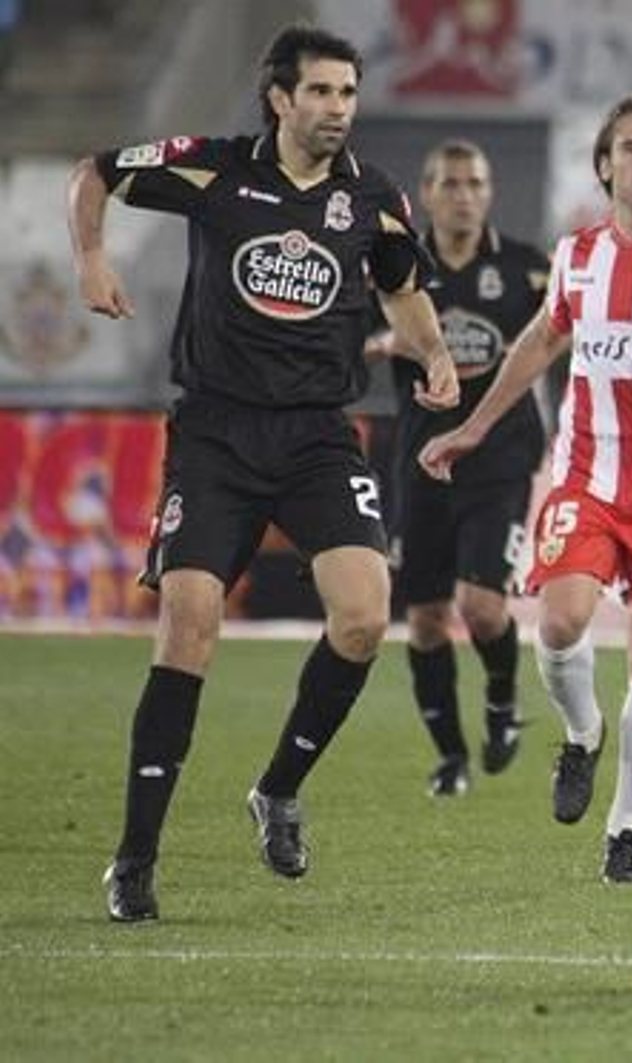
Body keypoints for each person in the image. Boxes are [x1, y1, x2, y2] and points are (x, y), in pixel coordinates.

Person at [69, 25, 459, 922]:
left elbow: (401, 282)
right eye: (320, 93)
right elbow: (94, 170)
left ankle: (278, 788)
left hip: (320, 436)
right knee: (190, 621)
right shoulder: (215, 169)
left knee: (365, 615)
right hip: (215, 433)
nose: (336, 111)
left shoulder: (373, 196)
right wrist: (92, 256)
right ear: (280, 99)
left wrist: (434, 354)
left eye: (348, 94)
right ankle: (134, 858)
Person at [419, 93, 632, 883]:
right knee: (560, 621)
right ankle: (581, 734)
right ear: (605, 164)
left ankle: (627, 824)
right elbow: (543, 338)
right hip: (587, 474)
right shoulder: (579, 254)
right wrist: (474, 425)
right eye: (630, 148)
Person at [367, 140, 551, 797]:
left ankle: (501, 696)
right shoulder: (394, 266)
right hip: (420, 462)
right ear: (428, 192)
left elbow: (566, 334)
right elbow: (349, 332)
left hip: (500, 458)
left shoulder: (529, 269)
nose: (464, 194)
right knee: (422, 617)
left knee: (480, 606)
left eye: (475, 182)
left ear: (490, 191)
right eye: (450, 183)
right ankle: (450, 756)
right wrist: (380, 340)